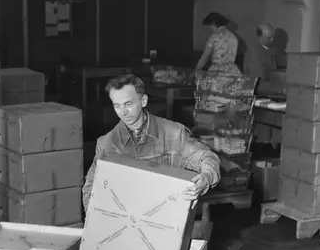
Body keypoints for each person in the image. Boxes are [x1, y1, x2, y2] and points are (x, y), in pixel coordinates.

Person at [82, 74, 221, 212]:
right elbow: (91, 187)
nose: (123, 112)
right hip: (125, 219)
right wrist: (94, 218)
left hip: (166, 216)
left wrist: (205, 179)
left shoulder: (173, 133)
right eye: (117, 106)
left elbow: (207, 158)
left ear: (143, 101)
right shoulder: (106, 144)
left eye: (128, 104)